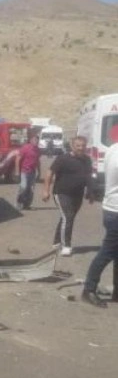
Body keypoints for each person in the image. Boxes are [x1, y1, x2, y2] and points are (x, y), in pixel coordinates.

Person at [82, 126, 118, 307]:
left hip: (111, 208)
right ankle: (89, 289)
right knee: (107, 252)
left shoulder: (112, 149)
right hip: (116, 210)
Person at [42, 136, 94, 256]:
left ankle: (57, 242)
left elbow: (88, 176)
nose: (81, 148)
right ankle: (66, 246)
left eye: (83, 146)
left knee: (66, 218)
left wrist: (90, 192)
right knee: (68, 217)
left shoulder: (87, 160)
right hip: (61, 193)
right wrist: (46, 190)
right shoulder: (63, 159)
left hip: (78, 194)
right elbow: (49, 172)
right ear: (72, 146)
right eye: (78, 145)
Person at [15, 133, 41, 210]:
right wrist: (17, 172)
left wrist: (39, 172)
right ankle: (19, 203)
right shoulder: (25, 148)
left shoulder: (38, 150)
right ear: (30, 140)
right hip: (24, 171)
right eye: (35, 140)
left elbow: (37, 161)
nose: (36, 141)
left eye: (37, 140)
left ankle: (27, 205)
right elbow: (17, 159)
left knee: (31, 189)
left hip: (33, 172)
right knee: (24, 187)